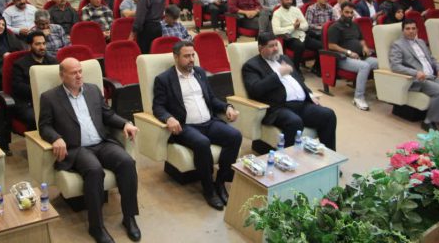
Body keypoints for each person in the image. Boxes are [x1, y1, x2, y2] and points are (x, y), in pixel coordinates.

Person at [39, 58, 140, 243]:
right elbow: (44, 126)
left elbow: (107, 114)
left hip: (101, 142)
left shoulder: (93, 90)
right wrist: (56, 138)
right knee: (94, 170)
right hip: (76, 148)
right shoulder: (49, 97)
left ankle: (129, 217)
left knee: (127, 162)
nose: (79, 76)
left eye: (80, 71)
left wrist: (125, 123)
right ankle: (96, 226)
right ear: (62, 76)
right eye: (73, 73)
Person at [152, 41, 242, 210]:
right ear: (176, 57)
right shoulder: (164, 79)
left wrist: (227, 107)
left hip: (209, 122)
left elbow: (212, 99)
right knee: (202, 143)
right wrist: (168, 118)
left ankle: (220, 182)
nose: (191, 59)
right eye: (186, 56)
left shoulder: (199, 73)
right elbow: (158, 107)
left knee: (235, 136)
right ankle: (208, 189)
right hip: (186, 126)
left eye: (193, 55)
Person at [242, 32, 337, 149]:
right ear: (261, 48)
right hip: (278, 108)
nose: (275, 49)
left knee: (328, 115)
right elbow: (256, 90)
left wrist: (310, 94)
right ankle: (288, 158)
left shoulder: (284, 58)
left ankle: (329, 156)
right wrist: (278, 74)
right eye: (271, 46)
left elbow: (299, 80)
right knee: (295, 122)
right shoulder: (251, 66)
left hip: (302, 104)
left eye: (276, 45)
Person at [390, 19, 439, 130]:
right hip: (417, 80)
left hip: (432, 76)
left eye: (413, 28)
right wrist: (415, 72)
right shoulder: (397, 45)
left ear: (417, 30)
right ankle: (428, 121)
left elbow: (432, 58)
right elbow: (395, 66)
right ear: (403, 30)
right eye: (407, 29)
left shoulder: (421, 42)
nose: (411, 31)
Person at [327, 2, 378, 110]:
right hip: (343, 59)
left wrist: (364, 47)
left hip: (361, 56)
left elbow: (361, 39)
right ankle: (358, 98)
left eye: (351, 13)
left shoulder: (355, 25)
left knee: (380, 63)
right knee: (364, 66)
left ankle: (382, 92)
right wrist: (348, 52)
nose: (349, 15)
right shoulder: (335, 27)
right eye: (347, 12)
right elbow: (331, 45)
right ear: (341, 12)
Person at [11, 31, 58, 130]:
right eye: (38, 44)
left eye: (44, 43)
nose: (42, 47)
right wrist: (39, 90)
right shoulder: (19, 64)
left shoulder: (53, 61)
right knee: (39, 118)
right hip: (28, 102)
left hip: (50, 100)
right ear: (29, 46)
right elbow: (18, 87)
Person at [272, 0, 321, 76]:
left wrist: (298, 26)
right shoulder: (277, 13)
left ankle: (316, 68)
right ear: (281, 0)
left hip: (302, 35)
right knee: (299, 46)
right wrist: (293, 27)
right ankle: (296, 70)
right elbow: (276, 31)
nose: (289, 1)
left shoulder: (296, 10)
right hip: (289, 38)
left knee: (321, 46)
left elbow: (306, 25)